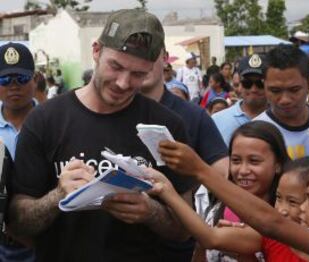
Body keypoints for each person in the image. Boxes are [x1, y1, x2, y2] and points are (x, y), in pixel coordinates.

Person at [9, 9, 195, 262]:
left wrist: (151, 212)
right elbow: (18, 223)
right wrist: (57, 197)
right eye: (115, 66)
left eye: (138, 74)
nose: (123, 83)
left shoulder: (166, 126)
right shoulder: (45, 120)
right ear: (96, 51)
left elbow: (185, 229)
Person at [156, 141, 309, 261]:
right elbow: (211, 237)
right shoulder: (272, 240)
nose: (300, 209)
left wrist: (199, 170)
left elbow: (270, 222)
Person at [140, 38, 230, 261]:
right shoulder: (107, 111)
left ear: (164, 57)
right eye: (134, 56)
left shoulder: (192, 115)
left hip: (178, 250)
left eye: (151, 55)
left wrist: (195, 171)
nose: (143, 63)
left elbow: (225, 174)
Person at [0, 42, 37, 262]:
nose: (14, 86)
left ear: (35, 78)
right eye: (5, 79)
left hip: (43, 240)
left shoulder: (54, 122)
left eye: (21, 78)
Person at [212, 54, 268, 146]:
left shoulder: (281, 118)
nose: (253, 89)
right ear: (239, 85)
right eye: (247, 83)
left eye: (260, 83)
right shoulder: (217, 120)